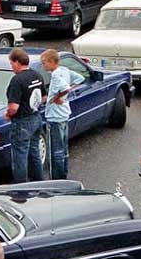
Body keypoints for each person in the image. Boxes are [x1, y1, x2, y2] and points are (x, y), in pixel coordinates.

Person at [40, 49, 85, 179]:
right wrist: (66, 94)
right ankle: (64, 174)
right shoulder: (64, 70)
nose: (43, 66)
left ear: (52, 62)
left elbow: (65, 88)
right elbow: (80, 78)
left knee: (55, 150)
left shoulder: (56, 75)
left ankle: (57, 178)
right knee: (64, 148)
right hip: (64, 113)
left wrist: (57, 97)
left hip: (55, 116)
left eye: (44, 63)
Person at [6, 48, 45, 183]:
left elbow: (13, 107)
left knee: (20, 156)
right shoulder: (37, 75)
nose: (11, 66)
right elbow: (43, 97)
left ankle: (21, 186)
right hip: (36, 117)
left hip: (22, 122)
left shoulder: (17, 80)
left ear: (17, 62)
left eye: (11, 63)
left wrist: (8, 114)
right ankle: (38, 182)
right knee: (35, 153)